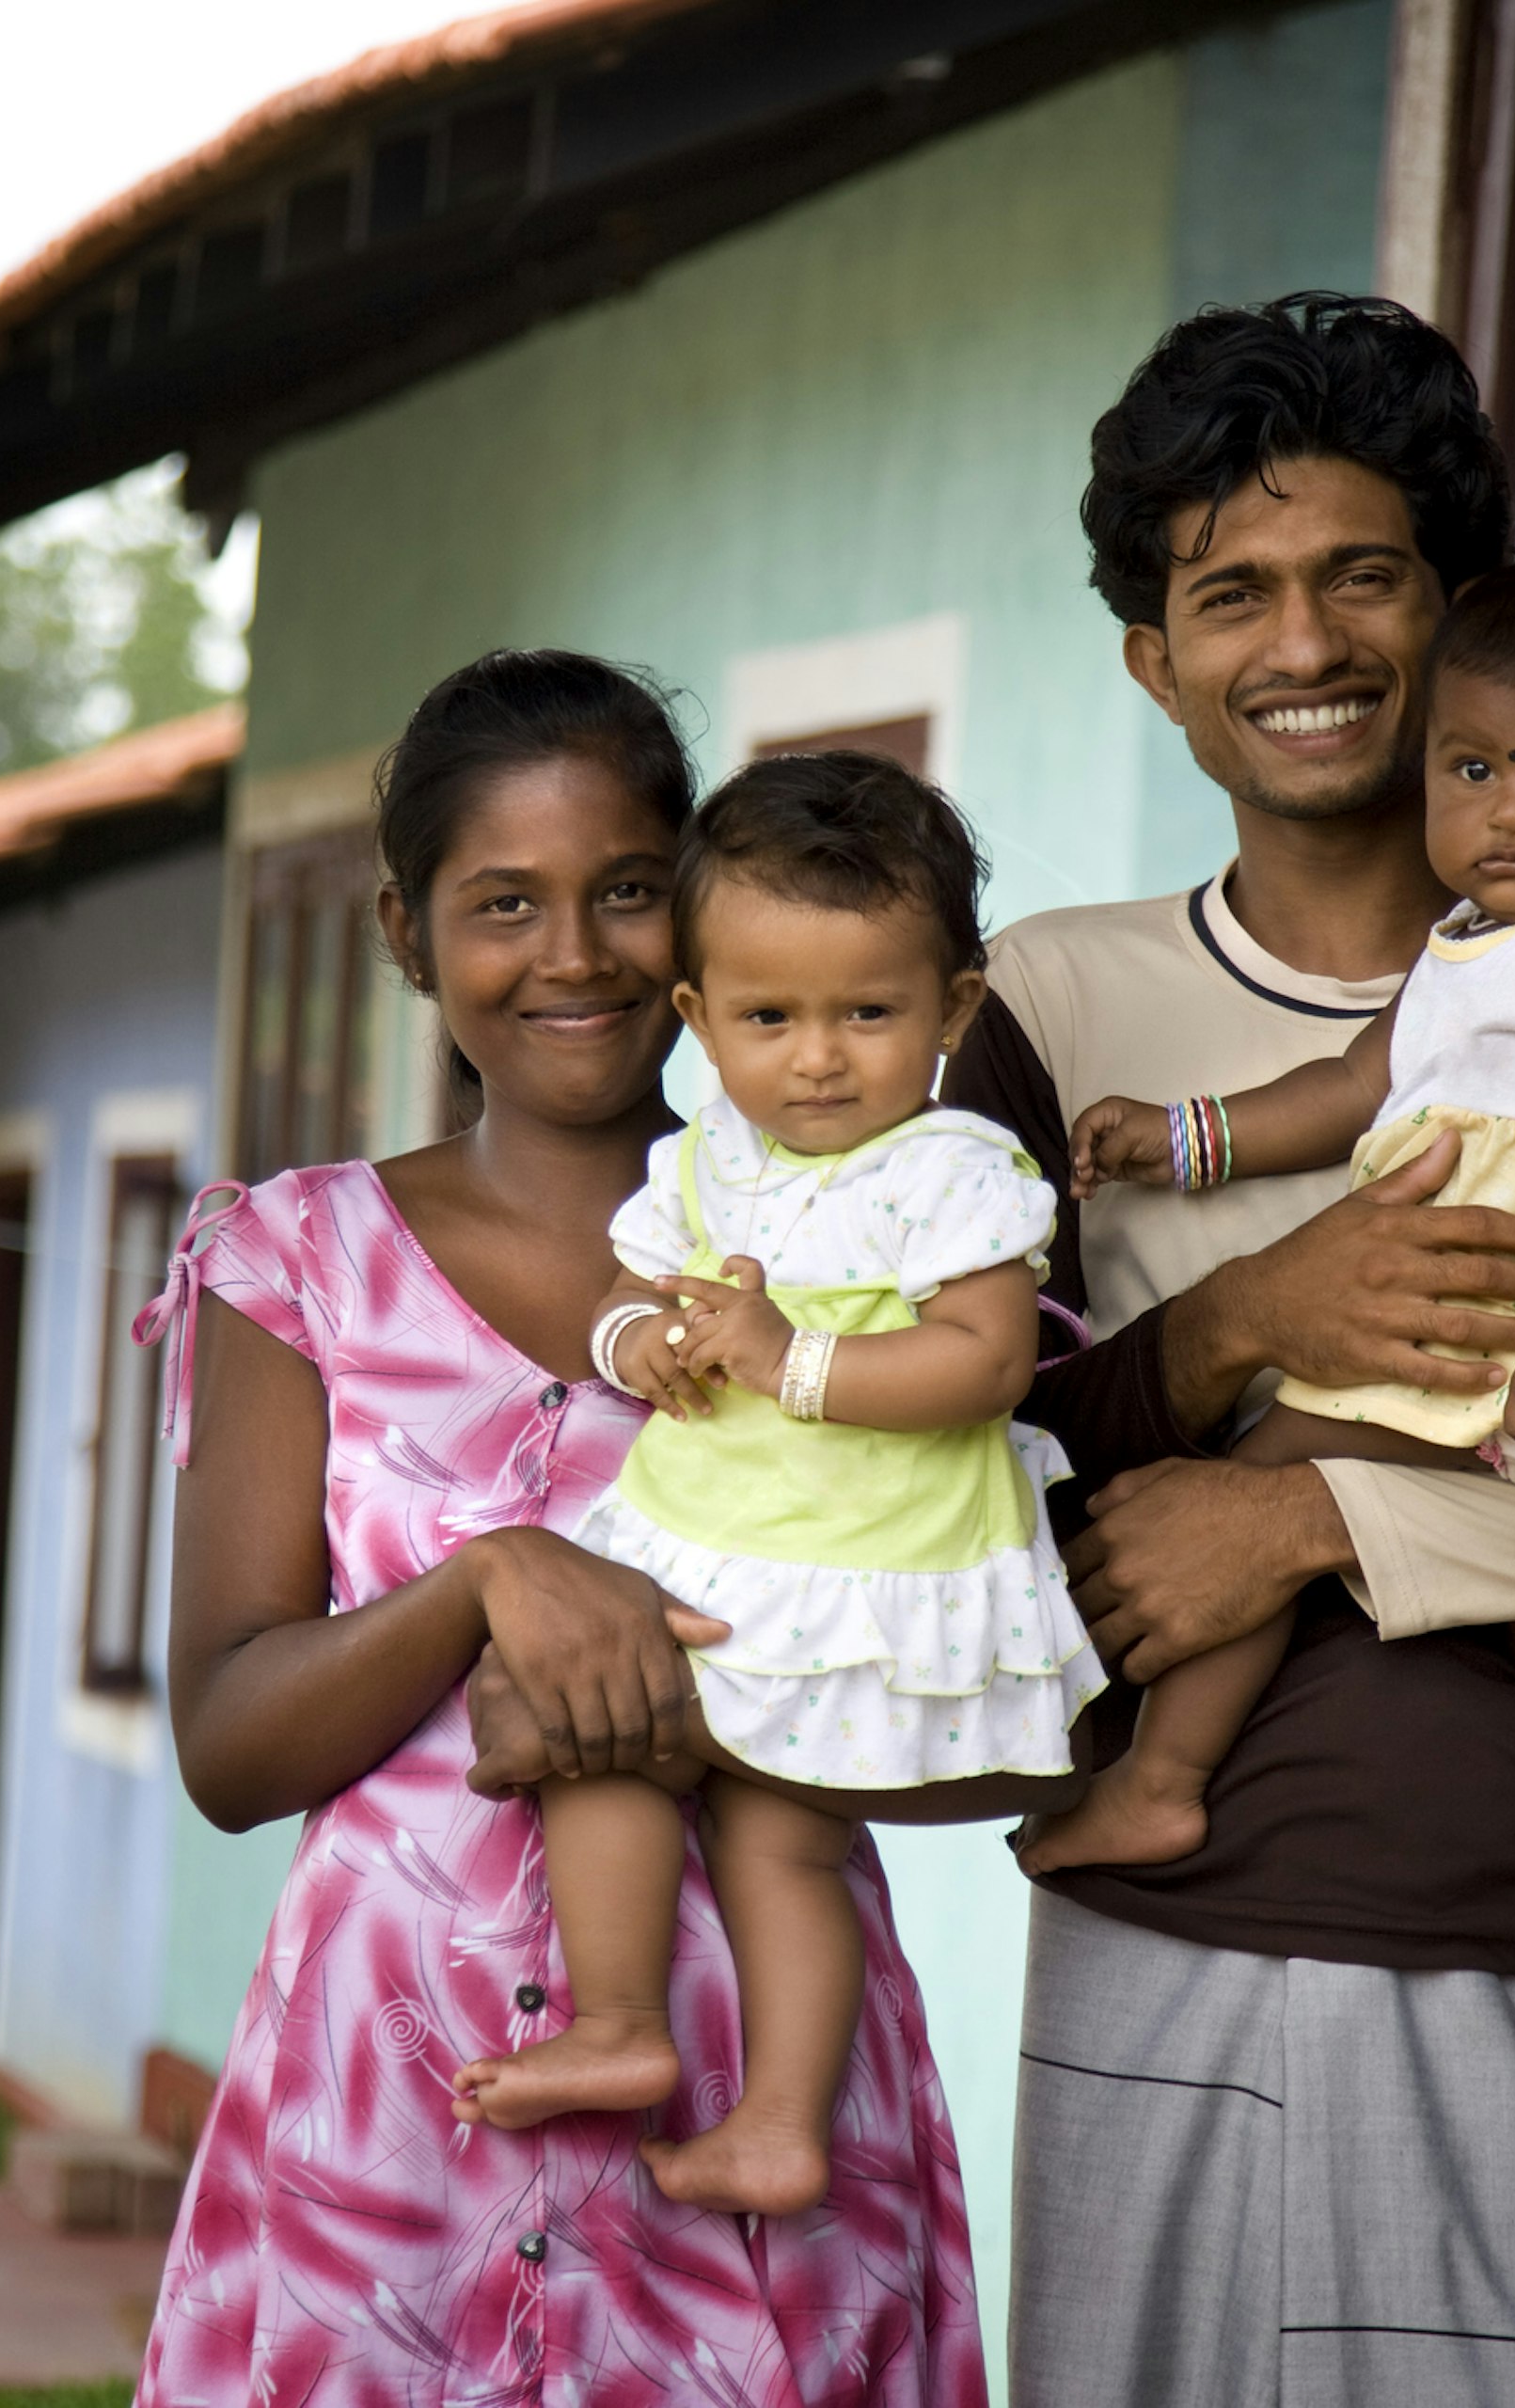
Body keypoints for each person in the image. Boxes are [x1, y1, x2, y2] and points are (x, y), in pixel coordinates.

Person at [948, 294, 1515, 2403]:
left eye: (1364, 573)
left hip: (1513, 1926)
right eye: (1228, 592)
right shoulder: (1047, 1006)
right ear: (1154, 660)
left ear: (1453, 617)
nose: (1305, 641)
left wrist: (1312, 1515)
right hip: (1149, 1929)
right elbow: (953, 1450)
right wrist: (1247, 1319)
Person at [134, 652, 1003, 2407]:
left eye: (623, 893)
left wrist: (696, 1701)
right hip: (393, 2125)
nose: (574, 956)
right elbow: (231, 1745)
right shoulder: (294, 1265)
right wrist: (482, 1586)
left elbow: (987, 1680)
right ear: (406, 933)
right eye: (502, 904)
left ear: (691, 913)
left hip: (758, 2099)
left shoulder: (869, 1253)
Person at [1023, 556, 1515, 2085]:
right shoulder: (1464, 948)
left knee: (1256, 1488)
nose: (1512, 812)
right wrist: (1180, 1138)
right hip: (1501, 1315)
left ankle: (1163, 1779)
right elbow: (1341, 1098)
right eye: (1476, 769)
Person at [449, 752, 1105, 2217]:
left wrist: (784, 1357)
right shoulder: (708, 1164)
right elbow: (621, 1299)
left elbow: (988, 1363)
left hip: (869, 1561)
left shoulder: (956, 1168)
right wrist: (647, 1346)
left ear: (957, 1006)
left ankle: (779, 2119)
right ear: (696, 1018)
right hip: (705, 1545)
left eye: (867, 1013)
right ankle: (620, 2023)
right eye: (767, 1017)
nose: (817, 1057)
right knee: (596, 1738)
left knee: (785, 1835)